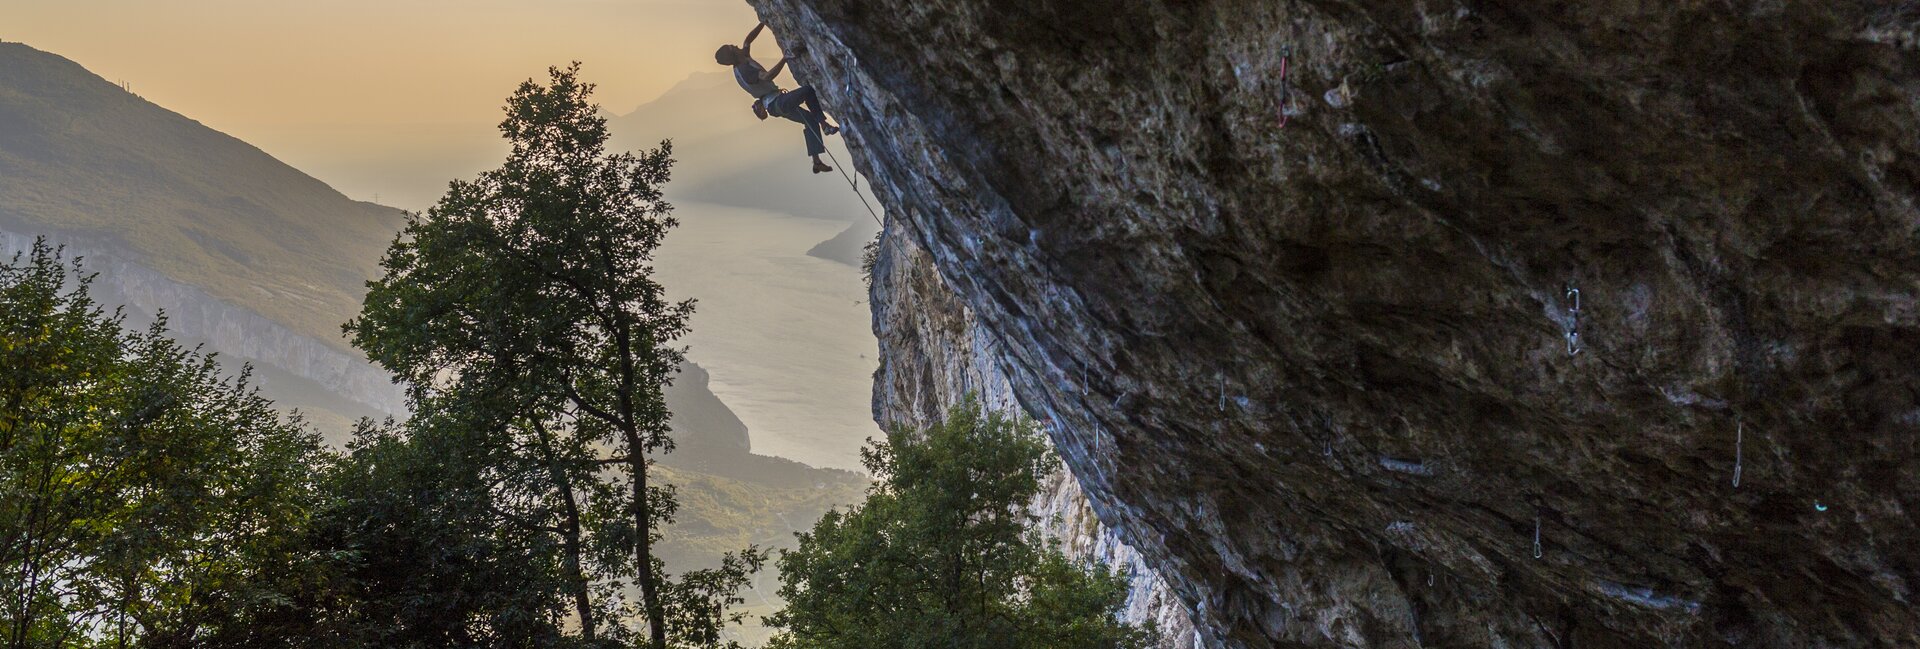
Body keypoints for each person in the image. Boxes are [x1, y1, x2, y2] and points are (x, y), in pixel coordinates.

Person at [716, 23, 841, 174]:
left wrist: (763, 21)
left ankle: (816, 162)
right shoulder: (745, 70)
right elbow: (767, 76)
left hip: (775, 105)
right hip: (777, 102)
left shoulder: (743, 58)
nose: (736, 46)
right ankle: (825, 125)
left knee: (809, 120)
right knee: (808, 90)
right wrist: (784, 59)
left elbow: (748, 40)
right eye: (733, 47)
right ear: (733, 55)